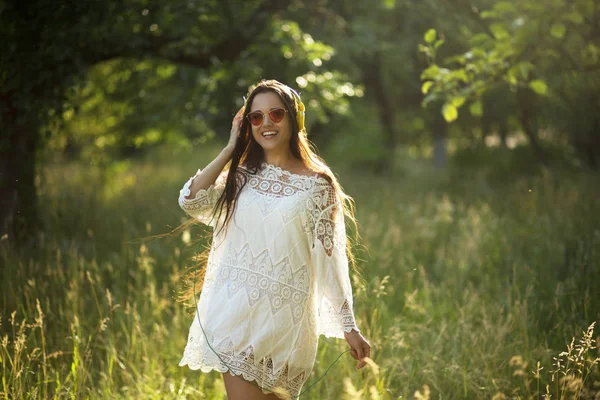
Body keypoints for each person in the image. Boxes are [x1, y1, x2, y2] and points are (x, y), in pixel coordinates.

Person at [177, 79, 371, 400]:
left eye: (276, 114)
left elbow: (328, 261)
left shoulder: (318, 185)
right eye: (256, 117)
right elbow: (192, 200)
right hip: (236, 316)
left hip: (287, 324)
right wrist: (229, 149)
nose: (266, 123)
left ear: (295, 119)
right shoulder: (240, 176)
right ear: (247, 125)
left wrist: (349, 326)